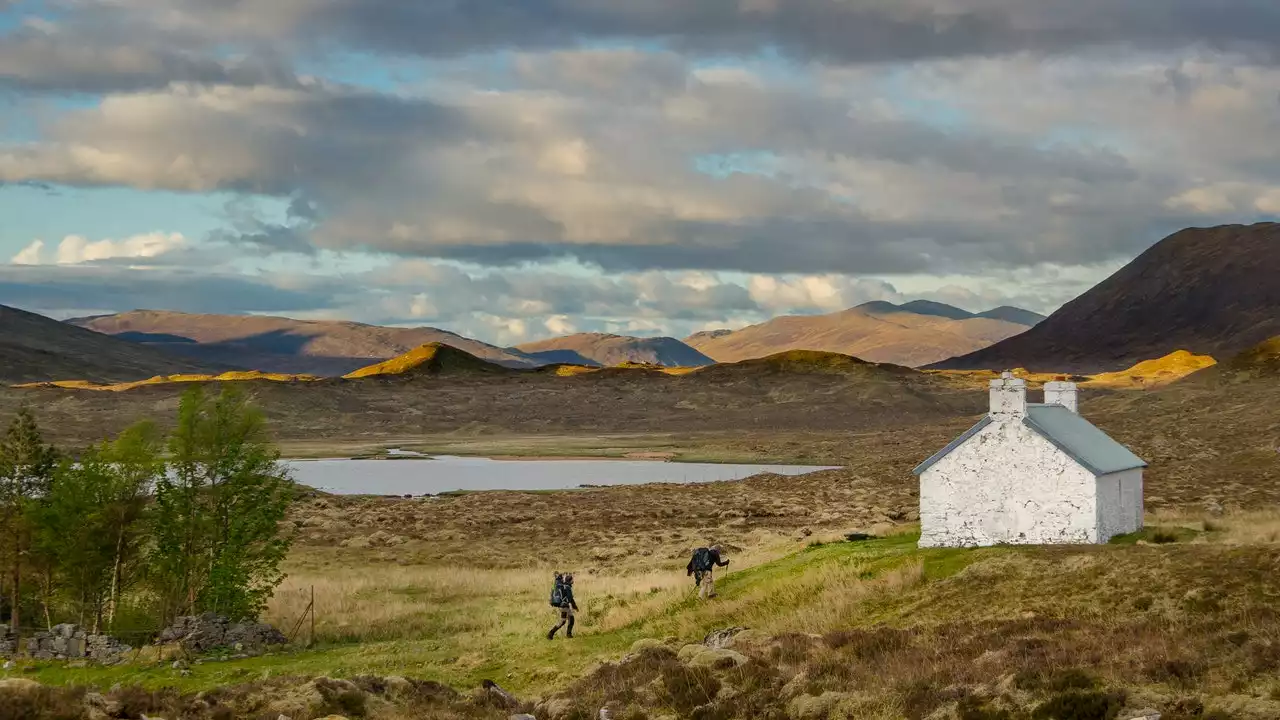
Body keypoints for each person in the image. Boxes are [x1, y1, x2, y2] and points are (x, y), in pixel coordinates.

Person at [547, 572, 579, 639]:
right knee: (571, 619)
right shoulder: (567, 587)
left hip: (561, 606)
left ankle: (550, 633)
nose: (573, 581)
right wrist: (575, 607)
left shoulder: (563, 586)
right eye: (572, 579)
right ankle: (569, 635)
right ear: (569, 580)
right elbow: (570, 599)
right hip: (565, 606)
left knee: (562, 621)